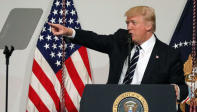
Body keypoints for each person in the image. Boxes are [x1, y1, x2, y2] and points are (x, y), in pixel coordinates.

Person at [49, 6, 188, 101]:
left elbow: (182, 89)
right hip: (112, 105)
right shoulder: (121, 40)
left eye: (133, 23)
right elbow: (95, 39)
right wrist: (70, 32)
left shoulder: (169, 54)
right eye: (127, 23)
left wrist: (176, 90)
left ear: (148, 26)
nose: (128, 27)